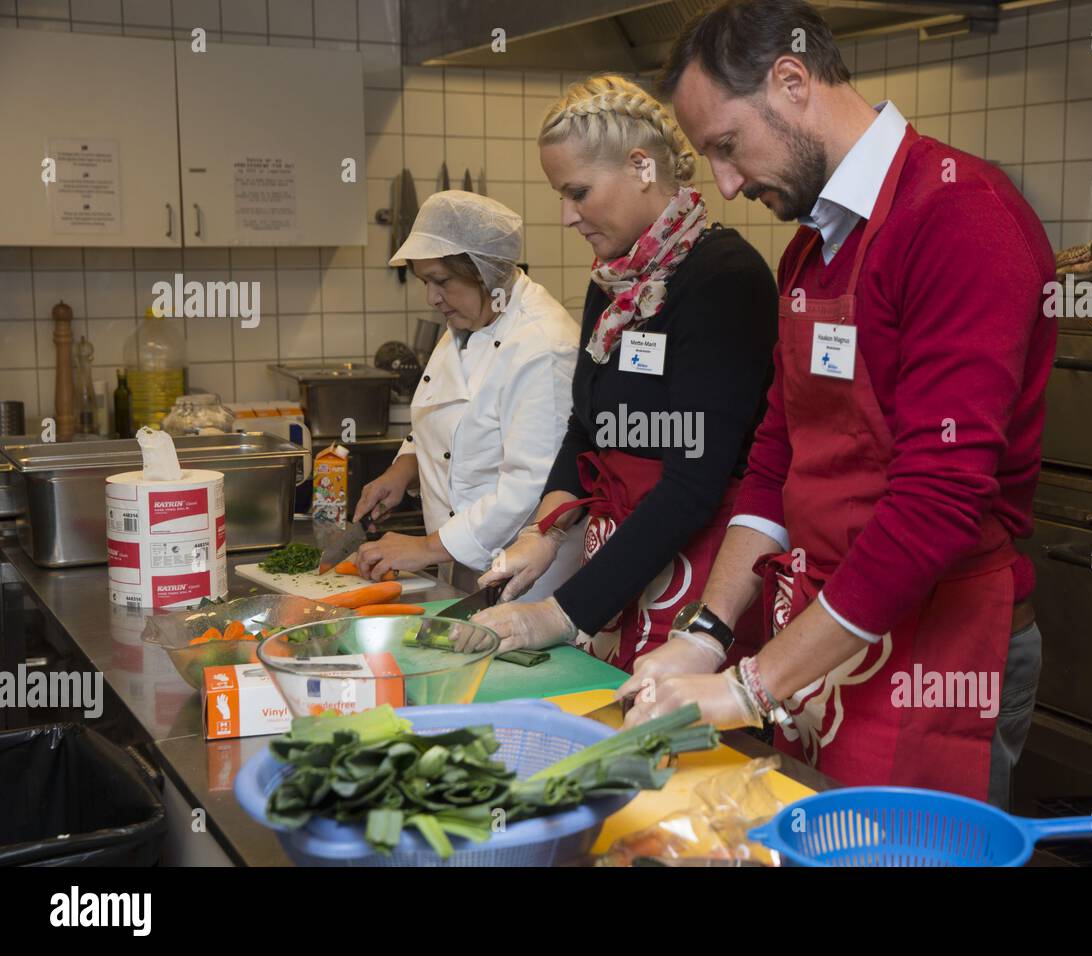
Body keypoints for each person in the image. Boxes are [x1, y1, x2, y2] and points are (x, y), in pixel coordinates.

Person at [621, 0, 1056, 810]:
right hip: (825, 642)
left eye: (725, 146)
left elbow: (938, 501)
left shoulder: (958, 216)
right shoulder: (811, 253)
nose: (725, 182)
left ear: (791, 81)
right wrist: (706, 637)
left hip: (936, 650)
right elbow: (776, 462)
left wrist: (752, 690)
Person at [469, 75, 778, 671]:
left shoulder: (724, 280)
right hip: (620, 563)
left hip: (699, 572)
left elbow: (694, 485)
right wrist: (546, 532)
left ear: (640, 166)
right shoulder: (612, 281)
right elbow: (587, 426)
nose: (566, 216)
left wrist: (560, 613)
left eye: (578, 192)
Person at [353, 190, 582, 600]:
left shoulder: (543, 346)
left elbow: (529, 485)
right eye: (426, 282)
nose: (431, 298)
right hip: (459, 563)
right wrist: (404, 469)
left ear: (485, 271)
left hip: (527, 581)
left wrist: (425, 547)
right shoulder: (469, 320)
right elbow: (447, 410)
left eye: (441, 281)